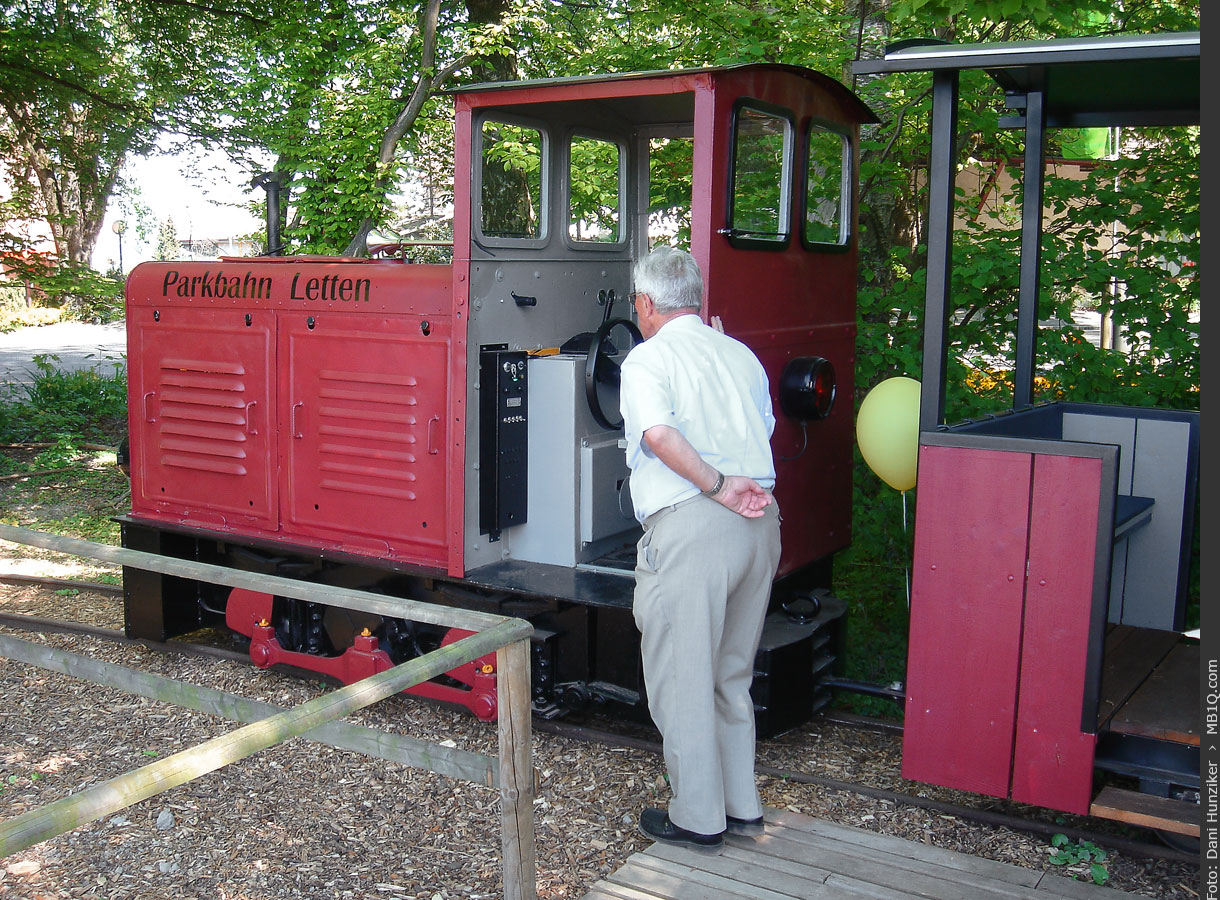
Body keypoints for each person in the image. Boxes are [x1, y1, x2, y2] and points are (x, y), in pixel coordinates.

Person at [619, 245, 782, 856]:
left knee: (684, 675)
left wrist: (714, 485)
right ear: (696, 298)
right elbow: (764, 428)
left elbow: (658, 434)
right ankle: (741, 806)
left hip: (696, 525)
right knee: (730, 673)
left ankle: (696, 818)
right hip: (760, 523)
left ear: (645, 303)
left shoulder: (648, 358)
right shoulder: (739, 354)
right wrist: (733, 485)